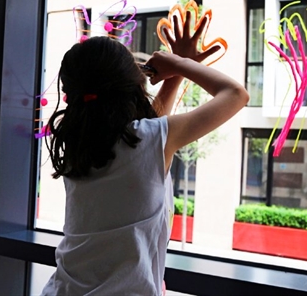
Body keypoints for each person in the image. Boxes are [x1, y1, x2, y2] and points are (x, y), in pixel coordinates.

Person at [41, 35, 248, 296]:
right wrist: (179, 63)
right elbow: (236, 94)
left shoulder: (78, 143)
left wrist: (176, 73)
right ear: (131, 82)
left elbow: (146, 139)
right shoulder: (148, 140)